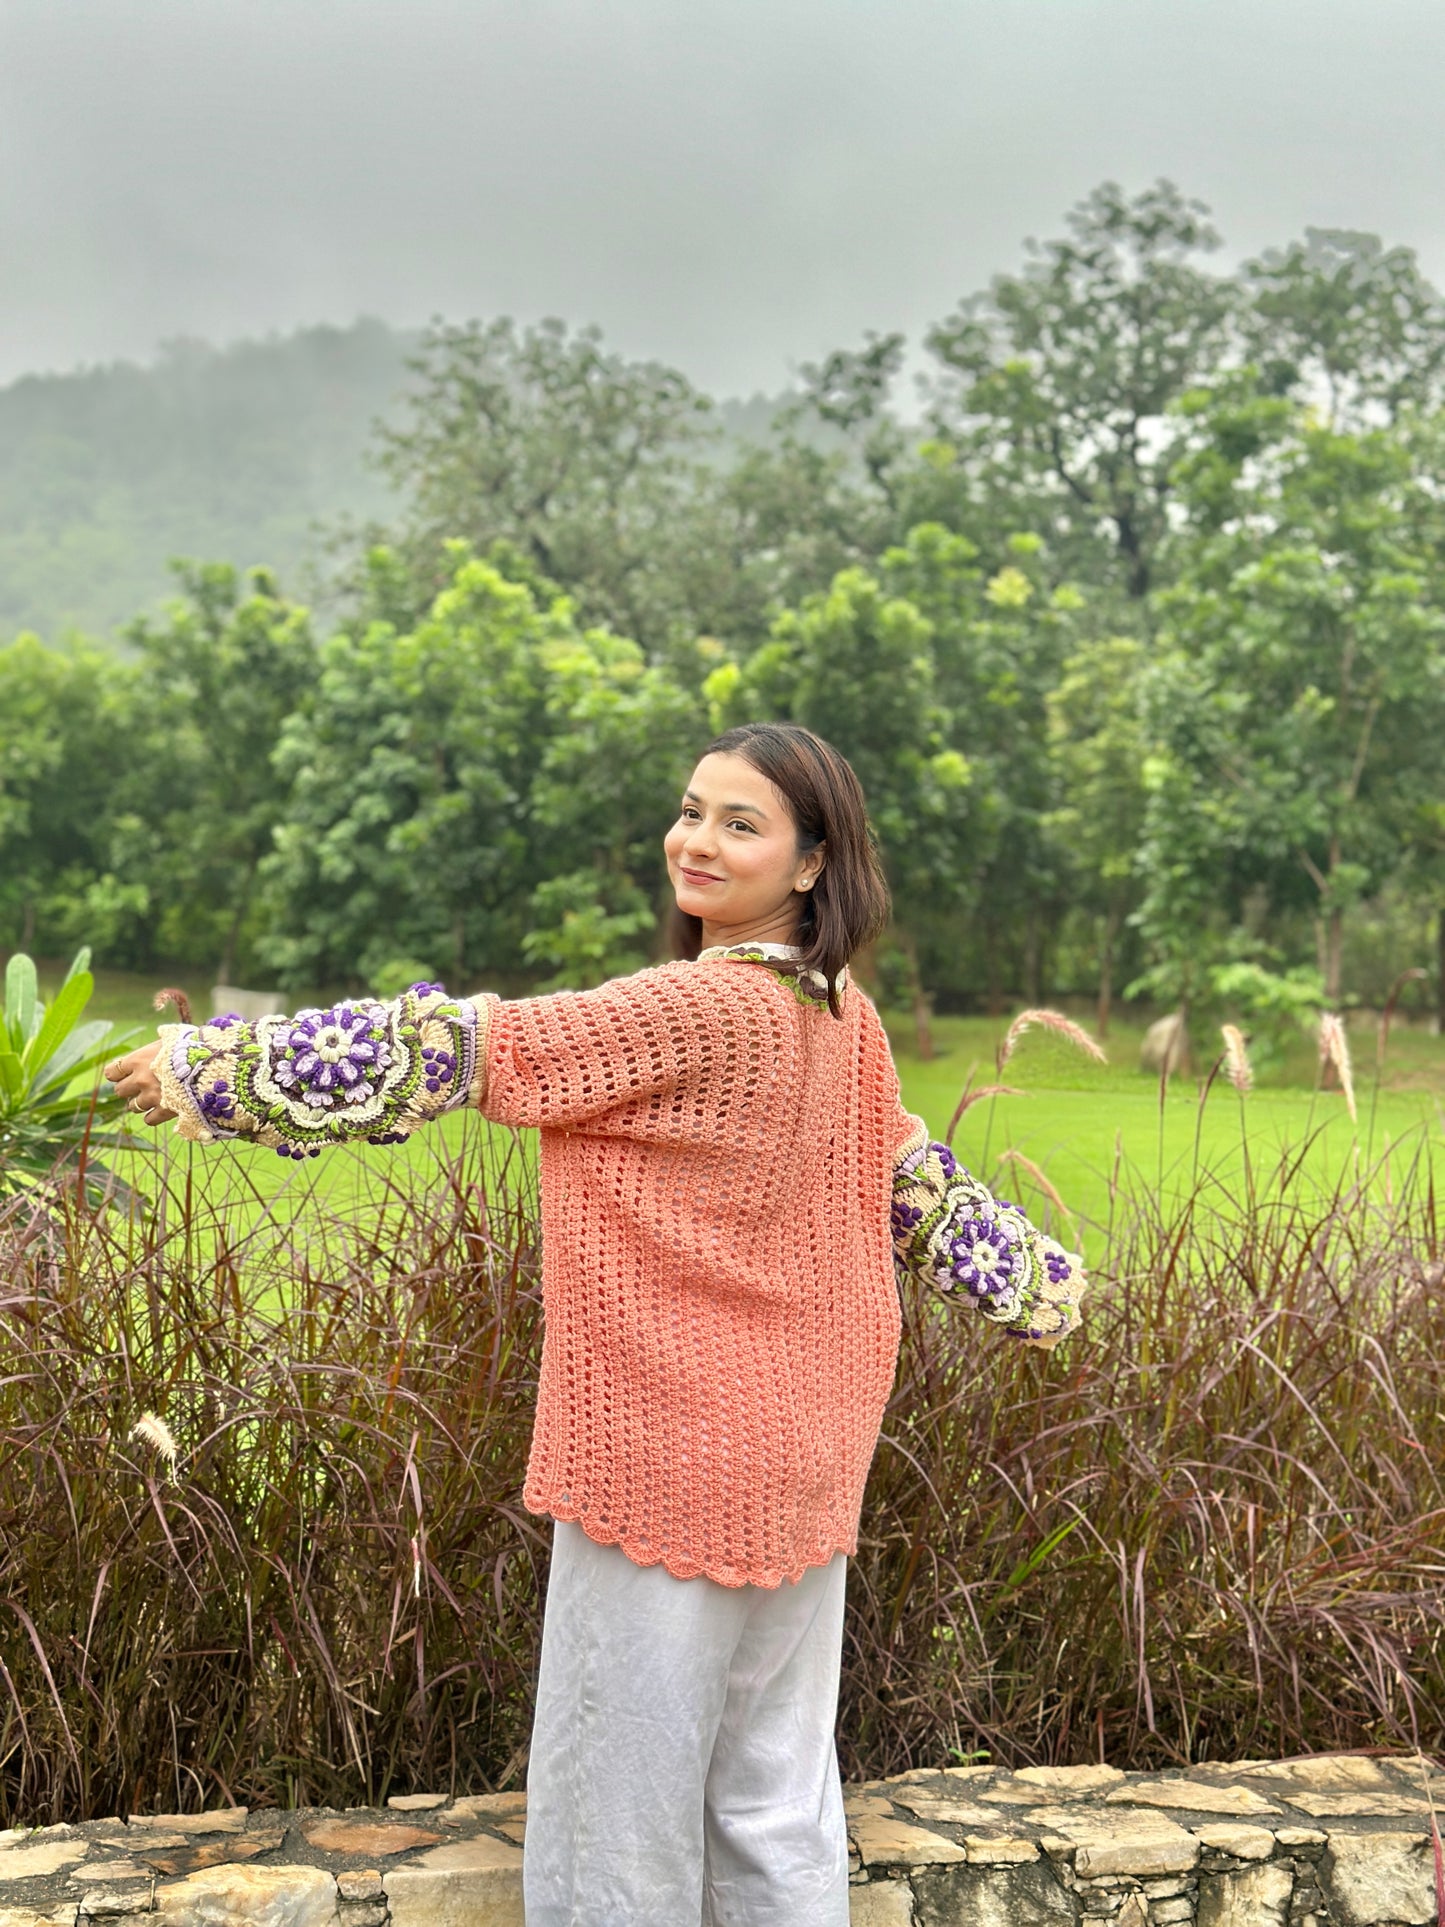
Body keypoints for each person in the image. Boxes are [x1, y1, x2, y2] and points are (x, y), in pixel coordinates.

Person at [106, 721, 1085, 1927]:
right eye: (690, 809)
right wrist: (1038, 1286)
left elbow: (463, 1050)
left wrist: (213, 1065)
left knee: (612, 1819)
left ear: (813, 861)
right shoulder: (846, 1018)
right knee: (774, 1803)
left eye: (740, 823)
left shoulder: (695, 1008)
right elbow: (915, 1187)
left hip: (668, 1459)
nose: (695, 839)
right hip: (804, 1463)